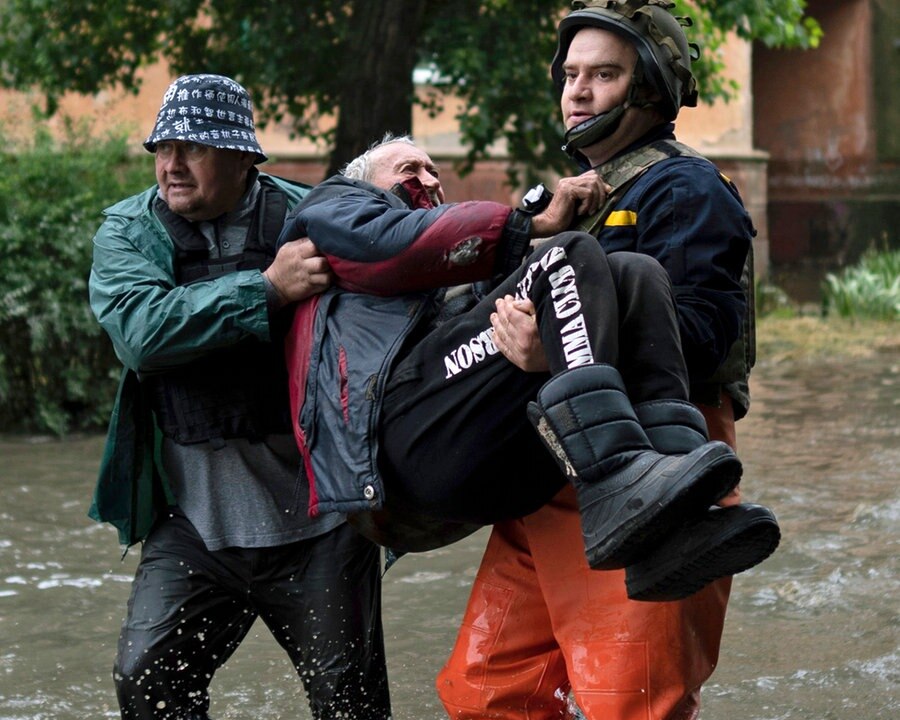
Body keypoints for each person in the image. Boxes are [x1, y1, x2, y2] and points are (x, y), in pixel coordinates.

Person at [435, 1, 781, 720]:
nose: (578, 90)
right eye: (571, 74)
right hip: (552, 468)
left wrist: (561, 347)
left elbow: (702, 336)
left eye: (605, 74)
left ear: (653, 88)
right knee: (488, 696)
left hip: (654, 469)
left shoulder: (688, 189)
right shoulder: (568, 203)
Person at [88, 74, 402, 720]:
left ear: (241, 158)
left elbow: (411, 276)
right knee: (144, 674)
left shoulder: (310, 217)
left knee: (353, 716)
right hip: (195, 527)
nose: (171, 163)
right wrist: (264, 291)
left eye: (191, 147)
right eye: (162, 146)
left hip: (320, 525)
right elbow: (141, 332)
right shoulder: (130, 230)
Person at [278, 135, 773, 604]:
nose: (429, 179)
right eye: (409, 169)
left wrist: (543, 345)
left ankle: (682, 518)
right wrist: (528, 225)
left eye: (434, 170)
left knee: (634, 271)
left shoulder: (456, 272)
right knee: (569, 254)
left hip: (475, 453)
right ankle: (613, 482)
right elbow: (390, 243)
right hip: (396, 452)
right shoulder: (333, 208)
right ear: (364, 184)